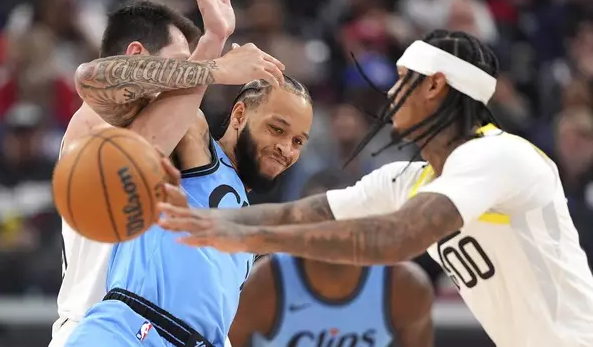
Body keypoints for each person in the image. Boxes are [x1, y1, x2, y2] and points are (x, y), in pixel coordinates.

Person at [158, 30, 593, 347]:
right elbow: (299, 213)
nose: (390, 90)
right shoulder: (408, 179)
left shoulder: (497, 157)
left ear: (436, 85)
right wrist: (206, 221)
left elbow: (394, 238)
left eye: (404, 78)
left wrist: (245, 236)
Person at [50, 0, 285, 346]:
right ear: (136, 56)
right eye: (179, 65)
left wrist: (214, 39)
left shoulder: (180, 144)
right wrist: (216, 66)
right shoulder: (93, 118)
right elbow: (134, 137)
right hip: (94, 328)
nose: (186, 82)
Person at [229, 169, 433, 347]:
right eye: (319, 220)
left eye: (340, 218)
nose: (330, 232)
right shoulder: (264, 284)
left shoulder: (403, 285)